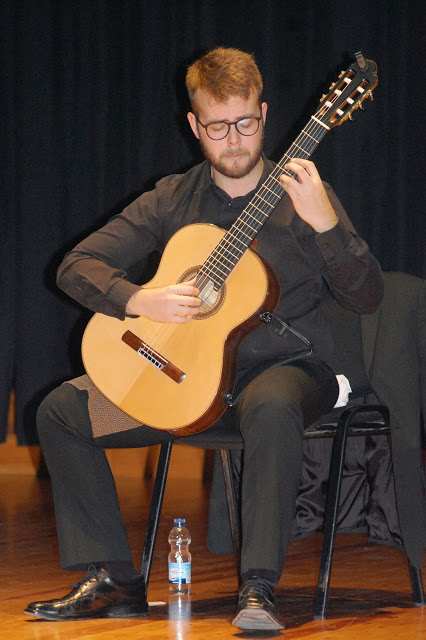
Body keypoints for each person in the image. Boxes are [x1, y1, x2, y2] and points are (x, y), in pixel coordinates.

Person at [25, 47, 383, 630]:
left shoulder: (302, 192)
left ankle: (259, 589)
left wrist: (325, 224)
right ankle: (114, 578)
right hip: (191, 386)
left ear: (264, 115)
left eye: (245, 123)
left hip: (288, 371)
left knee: (270, 404)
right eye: (218, 127)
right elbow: (78, 265)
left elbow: (367, 297)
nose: (234, 141)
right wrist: (140, 299)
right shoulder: (173, 198)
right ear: (194, 126)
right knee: (65, 410)